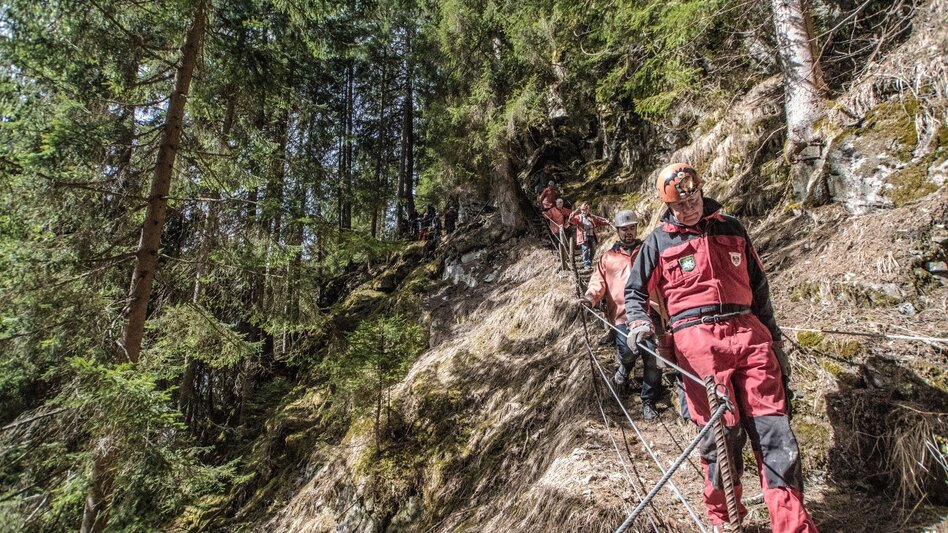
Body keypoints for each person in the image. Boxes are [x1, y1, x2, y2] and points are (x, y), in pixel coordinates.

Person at [623, 163, 816, 533]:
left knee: (775, 431)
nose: (688, 208)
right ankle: (725, 518)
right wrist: (640, 322)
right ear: (668, 206)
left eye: (692, 199)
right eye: (680, 206)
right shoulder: (658, 241)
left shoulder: (732, 228)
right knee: (721, 434)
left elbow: (760, 287)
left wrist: (774, 340)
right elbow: (635, 292)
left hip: (749, 332)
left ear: (700, 191)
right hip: (696, 342)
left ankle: (793, 526)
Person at [579, 210, 661, 420]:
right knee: (628, 351)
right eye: (624, 229)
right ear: (617, 231)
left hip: (650, 311)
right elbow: (598, 282)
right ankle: (625, 368)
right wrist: (590, 298)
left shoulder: (648, 251)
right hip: (622, 316)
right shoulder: (608, 258)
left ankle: (648, 401)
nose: (629, 233)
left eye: (632, 228)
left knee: (652, 358)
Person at [568, 203, 610, 270]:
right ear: (581, 210)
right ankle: (586, 264)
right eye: (583, 210)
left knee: (593, 249)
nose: (584, 211)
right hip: (583, 236)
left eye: (586, 210)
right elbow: (570, 220)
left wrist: (606, 222)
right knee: (585, 250)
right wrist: (574, 212)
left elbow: (599, 222)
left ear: (588, 210)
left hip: (591, 235)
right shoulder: (578, 217)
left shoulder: (591, 217)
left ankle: (589, 262)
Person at [543, 198, 574, 271]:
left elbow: (570, 212)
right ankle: (560, 255)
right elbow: (547, 216)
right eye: (559, 203)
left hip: (562, 228)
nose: (560, 204)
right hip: (555, 228)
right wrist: (544, 214)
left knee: (564, 240)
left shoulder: (564, 209)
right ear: (556, 203)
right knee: (558, 242)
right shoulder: (552, 210)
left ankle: (566, 255)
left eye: (561, 202)